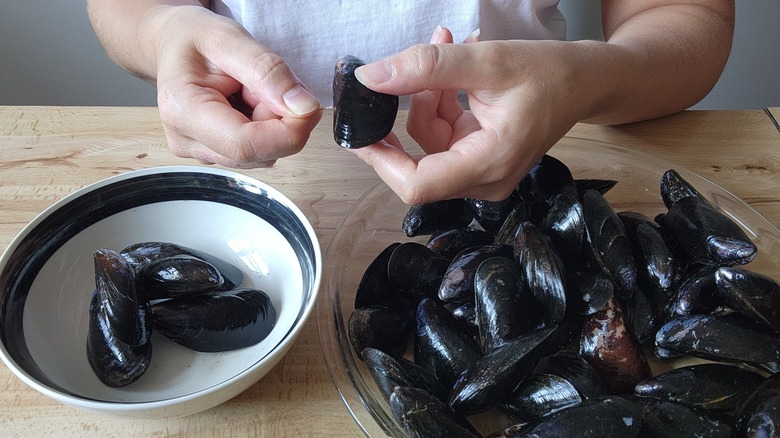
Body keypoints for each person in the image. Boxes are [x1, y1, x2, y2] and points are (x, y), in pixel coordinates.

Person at [86, 1, 735, 204]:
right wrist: (161, 29)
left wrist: (593, 77)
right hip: (265, 198)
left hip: (540, 170)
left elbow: (685, 16)